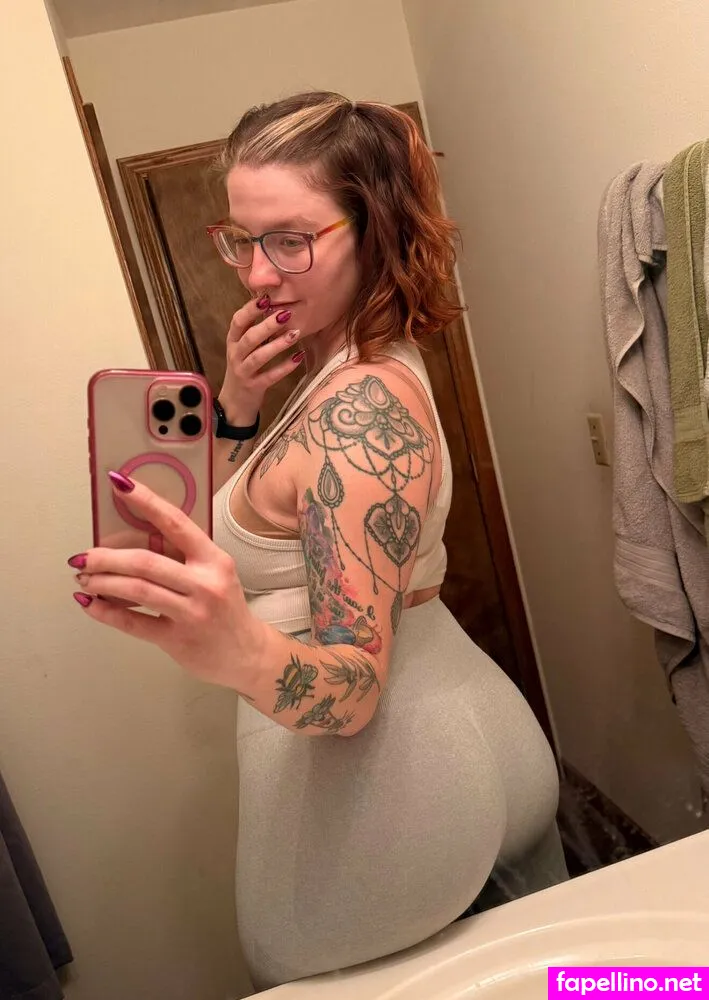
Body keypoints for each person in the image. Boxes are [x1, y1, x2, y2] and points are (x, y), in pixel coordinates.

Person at [69, 92, 567, 989]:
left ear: (374, 229)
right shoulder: (341, 362)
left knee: (290, 961)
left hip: (400, 760)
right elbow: (267, 515)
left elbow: (353, 691)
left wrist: (233, 646)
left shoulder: (360, 406)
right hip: (435, 732)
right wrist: (236, 402)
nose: (257, 274)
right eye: (242, 239)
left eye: (290, 240)